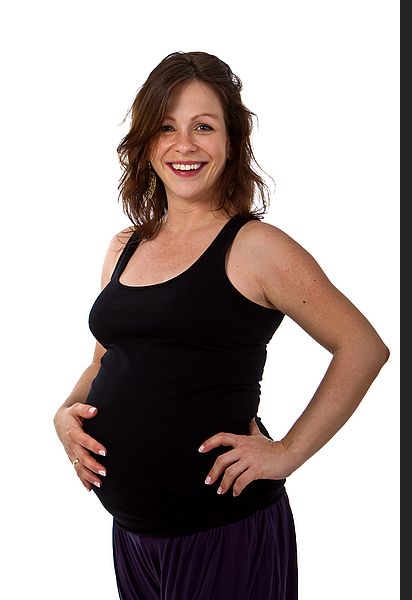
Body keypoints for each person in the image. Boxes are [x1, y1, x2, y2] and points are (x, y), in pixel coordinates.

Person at [53, 50, 389, 600]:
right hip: (135, 536)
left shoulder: (256, 247)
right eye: (166, 127)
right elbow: (105, 358)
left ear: (231, 141)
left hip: (224, 534)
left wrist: (287, 454)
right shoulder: (124, 246)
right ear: (145, 142)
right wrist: (66, 414)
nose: (184, 145)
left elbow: (362, 347)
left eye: (203, 127)